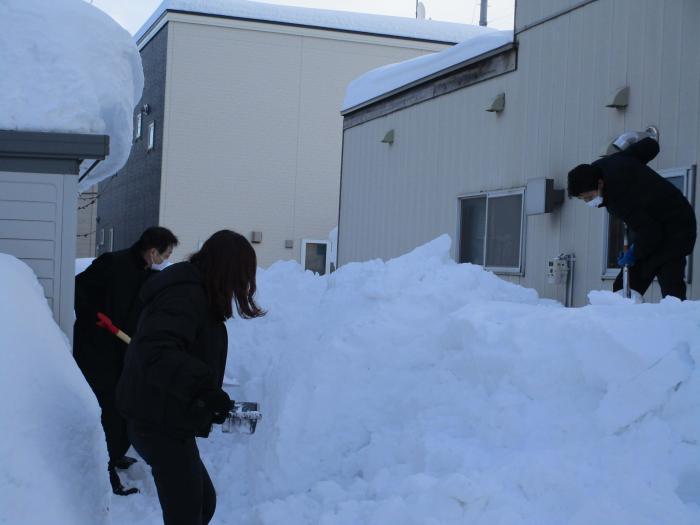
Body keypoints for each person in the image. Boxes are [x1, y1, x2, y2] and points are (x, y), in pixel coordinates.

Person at [116, 230, 265, 525]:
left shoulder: (196, 293)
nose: (242, 285)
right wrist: (203, 389)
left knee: (202, 504)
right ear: (226, 270)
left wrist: (205, 400)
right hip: (155, 423)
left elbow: (180, 352)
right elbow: (155, 351)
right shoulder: (185, 294)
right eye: (241, 275)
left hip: (166, 417)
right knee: (187, 514)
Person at [74, 226, 179, 495]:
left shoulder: (148, 274)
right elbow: (78, 290)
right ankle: (104, 469)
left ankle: (116, 454)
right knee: (108, 408)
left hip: (125, 353)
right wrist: (94, 318)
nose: (166, 259)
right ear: (153, 251)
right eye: (165, 254)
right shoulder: (111, 263)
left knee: (123, 405)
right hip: (98, 353)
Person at [567, 135, 696, 300]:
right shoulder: (611, 163)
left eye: (589, 197)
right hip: (650, 223)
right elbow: (651, 146)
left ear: (600, 184)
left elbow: (652, 233)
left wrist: (634, 253)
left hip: (676, 227)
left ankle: (675, 321)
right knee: (624, 288)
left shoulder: (620, 198)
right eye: (582, 199)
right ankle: (622, 317)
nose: (588, 202)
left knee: (671, 287)